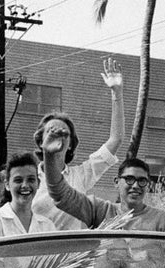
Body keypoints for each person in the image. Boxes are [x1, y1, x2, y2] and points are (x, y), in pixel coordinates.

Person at [41, 125, 165, 268]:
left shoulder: (162, 219)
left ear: (148, 185)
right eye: (129, 179)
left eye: (142, 181)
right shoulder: (101, 212)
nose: (136, 186)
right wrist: (49, 156)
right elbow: (61, 195)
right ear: (117, 182)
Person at [30, 57, 125, 231]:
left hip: (73, 254)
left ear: (71, 145)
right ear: (40, 140)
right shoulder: (29, 177)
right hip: (35, 253)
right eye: (51, 132)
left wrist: (116, 93)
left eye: (64, 134)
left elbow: (116, 139)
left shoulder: (81, 175)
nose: (58, 137)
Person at [0, 152, 56, 238]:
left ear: (38, 183)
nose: (25, 185)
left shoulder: (47, 226)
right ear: (7, 184)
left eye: (31, 180)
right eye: (18, 180)